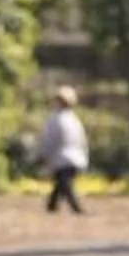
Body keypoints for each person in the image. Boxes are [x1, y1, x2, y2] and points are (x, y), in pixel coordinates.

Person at [36, 87, 89, 215]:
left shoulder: (55, 118)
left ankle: (76, 208)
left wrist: (42, 154)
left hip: (62, 157)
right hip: (75, 157)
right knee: (61, 183)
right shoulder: (74, 119)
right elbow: (82, 140)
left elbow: (49, 139)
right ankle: (52, 206)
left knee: (64, 184)